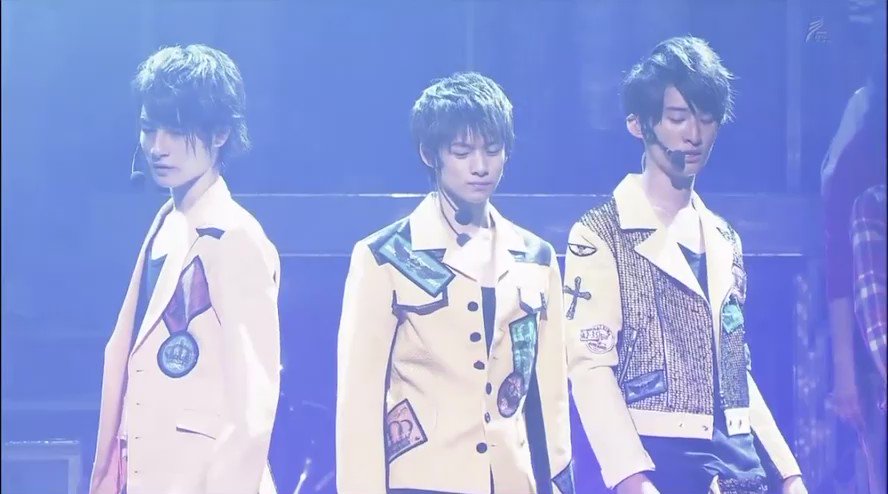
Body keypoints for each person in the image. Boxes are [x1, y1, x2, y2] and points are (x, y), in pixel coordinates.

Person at [563, 36, 806, 494]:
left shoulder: (724, 238)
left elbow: (735, 369)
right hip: (659, 458)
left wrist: (789, 474)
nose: (694, 134)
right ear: (639, 124)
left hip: (738, 465)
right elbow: (590, 368)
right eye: (677, 118)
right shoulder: (600, 233)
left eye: (707, 118)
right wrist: (632, 478)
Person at [335, 72, 574, 494]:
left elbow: (550, 397)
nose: (480, 166)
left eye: (493, 150)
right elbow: (359, 400)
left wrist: (558, 483)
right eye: (462, 152)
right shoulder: (384, 256)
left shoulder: (536, 258)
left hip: (512, 480)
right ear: (430, 154)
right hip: (422, 480)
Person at [90, 44, 281, 494]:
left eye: (176, 132)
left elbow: (253, 404)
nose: (158, 147)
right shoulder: (164, 223)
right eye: (148, 129)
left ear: (220, 134)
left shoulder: (235, 236)